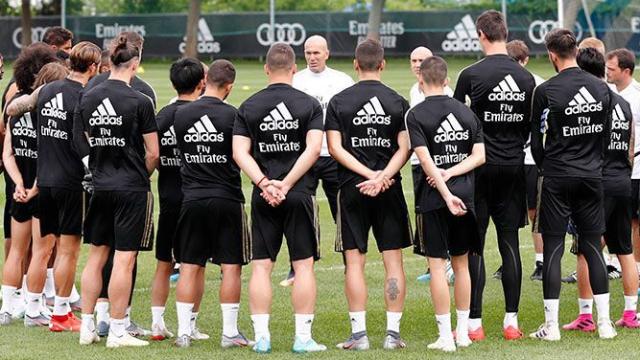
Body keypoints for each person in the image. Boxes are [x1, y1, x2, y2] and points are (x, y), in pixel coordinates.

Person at [233, 42, 325, 354]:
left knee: (261, 267)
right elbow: (313, 150)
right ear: (295, 69)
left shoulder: (248, 105)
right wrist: (285, 184)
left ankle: (262, 338)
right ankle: (302, 338)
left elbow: (239, 153)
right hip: (298, 192)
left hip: (263, 194)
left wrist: (264, 183)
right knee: (303, 266)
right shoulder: (309, 104)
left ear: (266, 69)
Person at [453, 10, 536, 340]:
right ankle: (511, 322)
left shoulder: (471, 74)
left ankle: (474, 323)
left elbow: (456, 120)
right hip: (513, 167)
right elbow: (531, 124)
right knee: (509, 242)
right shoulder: (526, 78)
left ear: (481, 35)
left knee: (475, 242)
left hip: (479, 167)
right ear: (505, 33)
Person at [529, 28, 615, 341]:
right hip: (592, 176)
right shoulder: (600, 87)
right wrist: (594, 164)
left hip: (557, 176)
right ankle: (605, 323)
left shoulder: (547, 90)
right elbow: (605, 137)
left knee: (553, 249)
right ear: (576, 51)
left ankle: (551, 328)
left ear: (552, 55)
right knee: (593, 247)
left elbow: (535, 140)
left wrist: (546, 166)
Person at [327, 39, 412, 350]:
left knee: (354, 262)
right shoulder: (397, 101)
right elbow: (405, 147)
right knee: (393, 261)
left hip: (352, 188)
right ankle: (392, 335)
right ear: (383, 64)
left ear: (355, 64)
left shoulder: (339, 101)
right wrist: (383, 176)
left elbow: (335, 149)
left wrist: (367, 175)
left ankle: (359, 335)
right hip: (389, 187)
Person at [77, 34, 159, 348]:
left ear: (110, 61)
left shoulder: (89, 95)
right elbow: (153, 152)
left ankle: (86, 328)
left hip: (99, 185)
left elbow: (86, 138)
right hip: (130, 187)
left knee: (96, 257)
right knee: (124, 260)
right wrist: (141, 173)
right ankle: (117, 330)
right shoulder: (140, 101)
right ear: (135, 64)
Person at [406, 55, 485, 352]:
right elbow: (479, 157)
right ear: (447, 80)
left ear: (421, 80)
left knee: (438, 267)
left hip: (433, 200)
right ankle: (462, 332)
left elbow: (425, 161)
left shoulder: (415, 114)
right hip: (465, 196)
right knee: (462, 265)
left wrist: (443, 185)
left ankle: (444, 336)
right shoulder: (466, 113)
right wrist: (453, 176)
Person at [173, 59, 253, 349]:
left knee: (190, 266)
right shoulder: (235, 115)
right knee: (230, 267)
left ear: (205, 80)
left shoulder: (181, 114)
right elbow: (241, 155)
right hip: (227, 197)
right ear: (230, 86)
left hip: (192, 198)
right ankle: (230, 333)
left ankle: (183, 332)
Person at [562, 48, 639, 331]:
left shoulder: (594, 102)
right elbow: (630, 148)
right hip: (623, 181)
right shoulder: (623, 103)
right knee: (625, 250)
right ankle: (631, 314)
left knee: (586, 250)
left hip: (599, 183)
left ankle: (586, 316)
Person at [30, 43, 101, 332]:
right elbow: (82, 141)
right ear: (94, 67)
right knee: (68, 252)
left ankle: (33, 309)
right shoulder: (85, 97)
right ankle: (61, 314)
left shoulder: (47, 90)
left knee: (41, 250)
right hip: (71, 182)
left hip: (44, 178)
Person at [278, 35, 354, 287]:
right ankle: (296, 266)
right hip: (304, 157)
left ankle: (350, 263)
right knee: (300, 211)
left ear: (327, 53)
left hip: (334, 156)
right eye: (308, 53)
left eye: (316, 53)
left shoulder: (342, 81)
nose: (311, 57)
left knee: (342, 211)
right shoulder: (295, 81)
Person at [0, 44, 60, 325]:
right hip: (41, 188)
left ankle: (7, 308)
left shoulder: (15, 106)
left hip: (18, 188)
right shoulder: (45, 108)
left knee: (15, 251)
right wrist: (34, 187)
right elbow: (48, 154)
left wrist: (18, 184)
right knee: (41, 251)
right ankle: (34, 309)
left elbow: (7, 153)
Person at [149, 58, 205, 341]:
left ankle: (157, 324)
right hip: (196, 197)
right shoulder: (200, 115)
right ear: (201, 83)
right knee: (196, 264)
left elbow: (153, 154)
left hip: (169, 196)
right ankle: (190, 325)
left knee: (163, 262)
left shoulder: (161, 116)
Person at [408, 46, 455, 284]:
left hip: (441, 165)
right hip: (419, 162)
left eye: (422, 60)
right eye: (414, 60)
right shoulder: (413, 91)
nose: (417, 64)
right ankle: (433, 263)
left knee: (441, 213)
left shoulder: (447, 92)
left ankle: (446, 262)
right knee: (422, 213)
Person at [505, 39, 545, 281]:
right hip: (510, 157)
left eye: (518, 62)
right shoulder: (501, 83)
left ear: (526, 61)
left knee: (533, 211)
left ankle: (540, 262)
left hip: (530, 157)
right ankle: (508, 260)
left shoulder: (537, 83)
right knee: (507, 211)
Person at [605, 48, 640, 286]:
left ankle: (635, 267)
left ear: (625, 71)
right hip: (610, 171)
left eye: (611, 69)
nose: (606, 72)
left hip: (636, 170)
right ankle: (606, 263)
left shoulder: (637, 96)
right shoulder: (606, 93)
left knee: (635, 221)